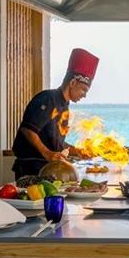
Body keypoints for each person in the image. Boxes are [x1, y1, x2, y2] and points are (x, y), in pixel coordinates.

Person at [11, 47, 99, 180]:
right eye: (84, 89)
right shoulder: (48, 98)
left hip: (49, 172)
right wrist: (47, 153)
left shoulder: (65, 107)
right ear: (73, 82)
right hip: (31, 170)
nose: (84, 95)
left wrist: (77, 151)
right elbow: (28, 129)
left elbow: (57, 144)